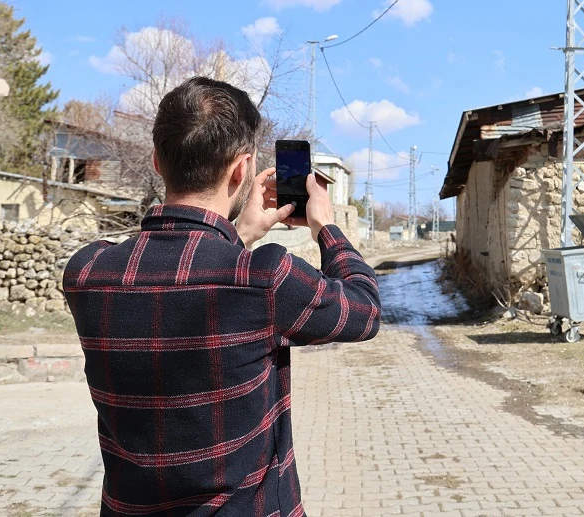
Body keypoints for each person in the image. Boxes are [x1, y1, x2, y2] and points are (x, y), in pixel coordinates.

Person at [64, 76, 381, 516]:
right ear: (241, 169)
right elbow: (364, 309)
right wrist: (324, 225)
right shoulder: (265, 278)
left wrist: (241, 234)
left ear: (157, 161)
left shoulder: (88, 272)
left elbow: (185, 274)